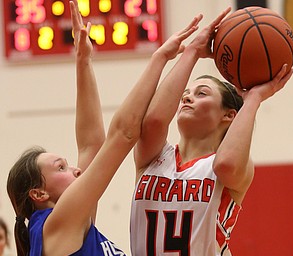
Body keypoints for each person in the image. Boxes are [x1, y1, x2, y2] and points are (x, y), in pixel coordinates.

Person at [6, 0, 204, 255]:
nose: (76, 170)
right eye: (61, 168)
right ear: (39, 193)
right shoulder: (58, 223)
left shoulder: (64, 223)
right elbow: (123, 135)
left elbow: (91, 145)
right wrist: (160, 58)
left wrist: (83, 60)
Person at [130, 8, 293, 256]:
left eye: (201, 93)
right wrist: (194, 50)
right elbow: (153, 120)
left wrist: (254, 98)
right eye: (186, 93)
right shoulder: (153, 158)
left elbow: (226, 165)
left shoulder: (225, 167)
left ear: (228, 115)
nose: (186, 98)